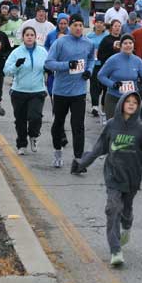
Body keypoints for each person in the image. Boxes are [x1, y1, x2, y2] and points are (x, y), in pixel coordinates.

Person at [71, 91, 142, 266]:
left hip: (133, 177)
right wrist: (82, 163)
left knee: (126, 210)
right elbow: (98, 148)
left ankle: (127, 226)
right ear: (121, 103)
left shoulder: (141, 130)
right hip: (113, 175)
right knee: (112, 209)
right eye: (128, 101)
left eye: (135, 102)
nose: (131, 104)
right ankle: (115, 250)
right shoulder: (112, 125)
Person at [44, 14, 95, 168]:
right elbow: (49, 63)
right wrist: (67, 65)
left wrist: (89, 71)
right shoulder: (60, 42)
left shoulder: (88, 43)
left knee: (78, 125)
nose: (78, 28)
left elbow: (91, 59)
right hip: (61, 91)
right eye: (75, 25)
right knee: (58, 123)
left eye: (80, 25)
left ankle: (78, 160)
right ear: (69, 27)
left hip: (79, 92)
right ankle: (57, 151)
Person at [3, 26, 48, 155]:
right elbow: (6, 71)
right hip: (19, 91)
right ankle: (21, 144)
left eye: (32, 35)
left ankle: (33, 136)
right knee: (20, 119)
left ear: (35, 37)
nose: (29, 37)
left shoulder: (42, 51)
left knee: (35, 117)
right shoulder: (16, 52)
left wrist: (50, 70)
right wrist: (16, 65)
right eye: (27, 35)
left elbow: (49, 65)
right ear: (23, 37)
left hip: (37, 91)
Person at [98, 34, 142, 120]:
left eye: (130, 43)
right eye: (125, 43)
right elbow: (101, 75)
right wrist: (113, 84)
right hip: (114, 98)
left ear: (133, 45)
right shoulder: (113, 59)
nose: (128, 45)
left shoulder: (138, 61)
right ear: (121, 46)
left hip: (131, 99)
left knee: (129, 128)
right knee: (114, 127)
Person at [86, 13, 109, 118]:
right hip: (94, 64)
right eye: (97, 22)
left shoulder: (107, 36)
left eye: (101, 22)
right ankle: (95, 106)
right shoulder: (89, 36)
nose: (99, 25)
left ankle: (104, 105)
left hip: (104, 64)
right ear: (94, 23)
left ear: (104, 24)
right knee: (94, 85)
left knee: (105, 86)